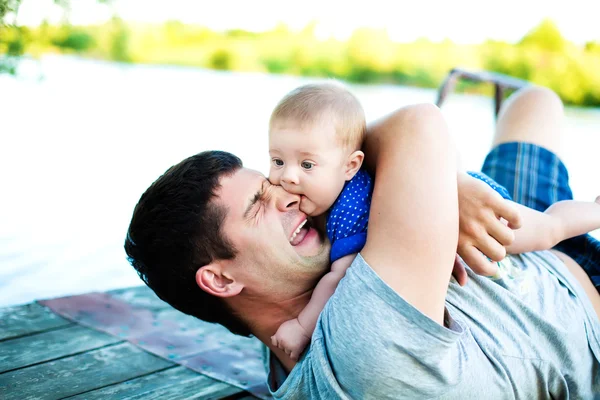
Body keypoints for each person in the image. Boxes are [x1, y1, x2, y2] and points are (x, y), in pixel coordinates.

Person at [125, 86, 600, 398]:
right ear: (220, 278)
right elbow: (418, 122)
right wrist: (439, 178)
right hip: (582, 292)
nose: (290, 196)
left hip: (508, 231)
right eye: (259, 205)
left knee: (534, 101)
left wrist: (443, 187)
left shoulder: (295, 308)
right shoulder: (360, 347)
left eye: (274, 183)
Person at [267, 82, 600, 360]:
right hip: (449, 203)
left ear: (351, 165)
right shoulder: (330, 183)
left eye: (307, 165)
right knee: (536, 101)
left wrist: (301, 326)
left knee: (548, 228)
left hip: (481, 212)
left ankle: (594, 210)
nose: (288, 177)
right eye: (277, 160)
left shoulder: (345, 214)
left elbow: (335, 279)